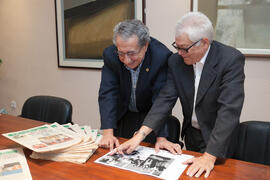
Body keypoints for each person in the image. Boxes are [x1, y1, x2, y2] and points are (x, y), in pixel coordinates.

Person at [112, 12, 245, 178]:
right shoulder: (177, 62)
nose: (179, 53)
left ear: (204, 43)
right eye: (177, 46)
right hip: (192, 135)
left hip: (219, 140)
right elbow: (165, 100)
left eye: (184, 48)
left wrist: (209, 156)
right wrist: (140, 135)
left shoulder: (230, 60)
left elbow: (229, 111)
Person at [98, 19, 182, 154]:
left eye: (131, 53)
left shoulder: (161, 56)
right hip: (123, 114)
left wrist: (161, 138)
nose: (126, 60)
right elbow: (108, 93)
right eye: (121, 53)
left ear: (145, 45)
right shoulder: (110, 54)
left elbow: (161, 101)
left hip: (150, 117)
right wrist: (107, 132)